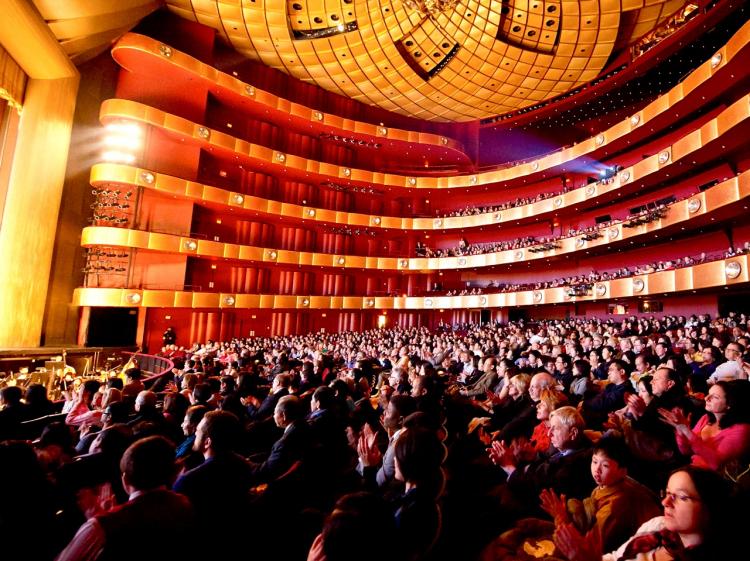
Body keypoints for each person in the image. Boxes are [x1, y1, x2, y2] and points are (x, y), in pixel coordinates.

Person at [55, 436, 197, 561]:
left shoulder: (100, 527)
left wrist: (99, 518)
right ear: (173, 475)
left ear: (125, 480)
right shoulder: (184, 504)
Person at [554, 466, 736, 561]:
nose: (665, 503)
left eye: (681, 497)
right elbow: (616, 556)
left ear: (710, 507)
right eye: (667, 494)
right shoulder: (658, 526)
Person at [660, 379, 750, 471]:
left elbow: (717, 464)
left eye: (715, 397)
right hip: (693, 468)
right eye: (708, 393)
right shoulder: (706, 418)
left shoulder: (742, 430)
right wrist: (680, 430)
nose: (706, 398)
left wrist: (687, 432)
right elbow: (686, 451)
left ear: (729, 404)